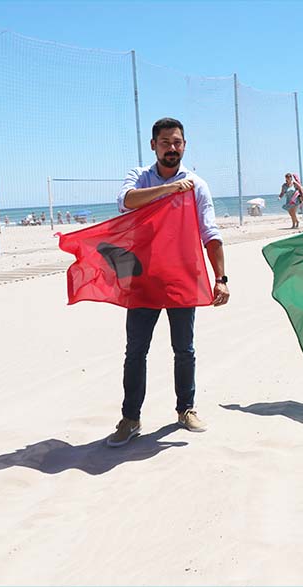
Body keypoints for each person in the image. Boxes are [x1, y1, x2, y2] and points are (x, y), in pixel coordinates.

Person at [107, 117, 229, 447]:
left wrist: (221, 278)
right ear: (153, 145)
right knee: (136, 350)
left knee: (184, 349)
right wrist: (169, 189)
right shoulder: (140, 177)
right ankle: (130, 418)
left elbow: (210, 232)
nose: (171, 148)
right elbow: (126, 201)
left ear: (184, 145)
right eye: (165, 142)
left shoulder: (197, 185)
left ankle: (185, 409)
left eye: (177, 142)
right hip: (143, 276)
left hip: (180, 276)